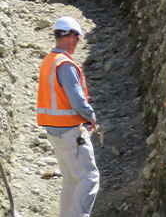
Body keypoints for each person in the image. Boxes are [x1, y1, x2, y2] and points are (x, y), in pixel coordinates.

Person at [37, 16, 99, 217]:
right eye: (78, 38)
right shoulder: (65, 64)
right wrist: (90, 116)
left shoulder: (49, 61)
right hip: (70, 132)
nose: (77, 43)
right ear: (71, 36)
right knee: (89, 178)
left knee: (71, 178)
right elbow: (77, 101)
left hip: (54, 131)